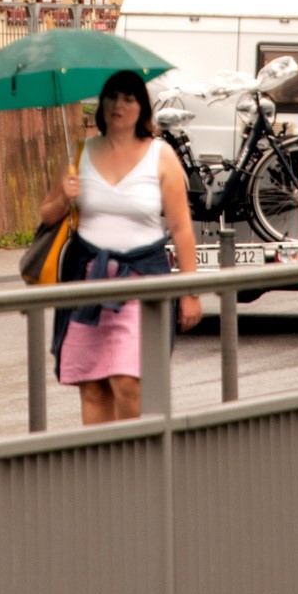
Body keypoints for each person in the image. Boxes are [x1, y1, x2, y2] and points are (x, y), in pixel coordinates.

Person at [55, 69, 205, 426]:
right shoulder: (81, 153)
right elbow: (48, 214)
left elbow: (182, 227)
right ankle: (102, 475)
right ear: (101, 105)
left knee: (127, 382)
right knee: (91, 386)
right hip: (87, 280)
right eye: (112, 96)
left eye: (128, 98)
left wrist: (190, 291)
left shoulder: (161, 155)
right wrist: (64, 195)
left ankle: (136, 468)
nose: (118, 105)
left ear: (142, 108)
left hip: (140, 282)